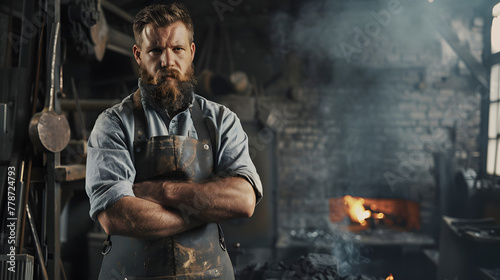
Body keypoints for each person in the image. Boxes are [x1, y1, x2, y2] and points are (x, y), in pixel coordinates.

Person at [85, 3, 263, 279]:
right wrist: (204, 210)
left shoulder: (221, 121)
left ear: (191, 53)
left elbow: (242, 200)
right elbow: (116, 215)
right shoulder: (113, 124)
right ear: (138, 55)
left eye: (177, 49)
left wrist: (163, 192)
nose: (168, 61)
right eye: (155, 50)